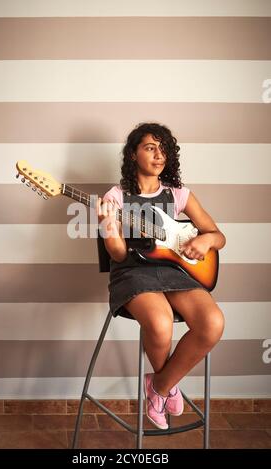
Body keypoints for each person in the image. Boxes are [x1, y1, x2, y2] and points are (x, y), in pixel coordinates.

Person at [97, 122, 226, 430]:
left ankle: (160, 386)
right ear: (132, 154)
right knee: (160, 321)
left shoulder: (178, 194)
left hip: (177, 272)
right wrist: (107, 227)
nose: (159, 155)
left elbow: (217, 235)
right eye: (150, 147)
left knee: (212, 323)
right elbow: (117, 254)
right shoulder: (115, 197)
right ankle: (165, 387)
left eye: (163, 148)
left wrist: (205, 240)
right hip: (133, 274)